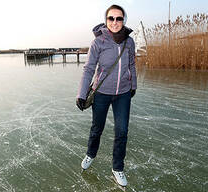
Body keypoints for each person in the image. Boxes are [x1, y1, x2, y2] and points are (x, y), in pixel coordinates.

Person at [76, 4, 137, 187]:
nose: (115, 22)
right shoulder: (98, 42)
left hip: (123, 94)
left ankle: (117, 168)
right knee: (97, 128)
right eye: (111, 18)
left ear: (123, 20)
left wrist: (133, 85)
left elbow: (132, 65)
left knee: (122, 131)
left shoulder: (130, 42)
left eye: (119, 18)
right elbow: (88, 69)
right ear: (106, 20)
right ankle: (91, 154)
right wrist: (81, 93)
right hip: (101, 93)